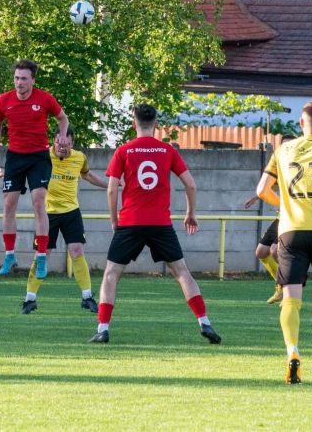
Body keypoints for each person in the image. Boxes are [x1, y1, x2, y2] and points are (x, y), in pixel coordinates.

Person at [89, 104, 221, 345]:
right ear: (157, 124)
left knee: (111, 274)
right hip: (160, 223)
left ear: (133, 123)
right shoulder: (167, 150)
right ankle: (205, 322)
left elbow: (111, 189)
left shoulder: (124, 150)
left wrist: (114, 220)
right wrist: (191, 213)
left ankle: (103, 329)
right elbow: (191, 185)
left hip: (130, 221)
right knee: (181, 272)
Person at [255, 101, 312, 384]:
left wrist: (285, 208)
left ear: (300, 123)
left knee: (291, 298)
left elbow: (261, 190)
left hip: (290, 230)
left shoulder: (282, 150)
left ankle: (292, 352)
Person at [3, 127, 108, 315]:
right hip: (47, 214)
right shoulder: (42, 157)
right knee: (42, 255)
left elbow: (87, 175)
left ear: (72, 143)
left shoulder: (79, 158)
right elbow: (22, 171)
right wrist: (4, 173)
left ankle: (87, 297)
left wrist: (110, 185)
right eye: (59, 143)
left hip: (71, 212)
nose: (62, 147)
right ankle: (29, 300)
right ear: (53, 142)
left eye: (66, 144)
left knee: (77, 251)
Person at [0, 59, 69, 277]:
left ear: (33, 80)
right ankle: (9, 254)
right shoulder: (3, 100)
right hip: (15, 157)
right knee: (8, 205)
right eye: (16, 78)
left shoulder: (45, 98)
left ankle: (41, 257)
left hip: (38, 157)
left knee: (38, 201)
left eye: (23, 78)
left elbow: (62, 118)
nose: (19, 82)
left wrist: (61, 136)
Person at [243, 134, 296, 305]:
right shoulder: (280, 165)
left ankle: (289, 286)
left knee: (275, 251)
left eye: (289, 145)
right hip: (282, 216)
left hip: (295, 217)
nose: (286, 149)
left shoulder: (299, 166)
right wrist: (256, 197)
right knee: (261, 252)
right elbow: (271, 185)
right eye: (283, 146)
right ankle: (281, 286)